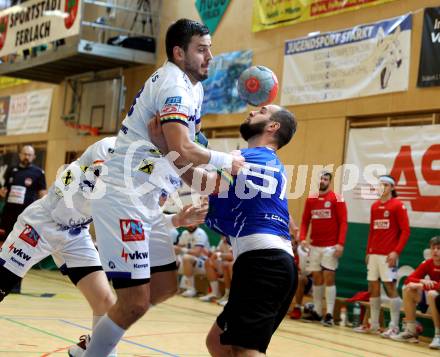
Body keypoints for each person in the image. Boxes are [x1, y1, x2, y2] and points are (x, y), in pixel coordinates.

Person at [85, 18, 244, 357]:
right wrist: (224, 161)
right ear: (178, 52)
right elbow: (184, 149)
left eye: (210, 48)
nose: (210, 56)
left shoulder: (193, 88)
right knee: (136, 302)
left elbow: (179, 158)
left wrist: (190, 167)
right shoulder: (174, 84)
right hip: (124, 196)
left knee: (164, 287)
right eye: (201, 49)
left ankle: (105, 332)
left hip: (150, 200)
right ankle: (95, 349)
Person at [201, 105, 298, 356]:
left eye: (262, 110)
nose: (253, 111)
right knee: (218, 341)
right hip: (265, 263)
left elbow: (204, 182)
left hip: (264, 264)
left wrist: (172, 149)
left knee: (246, 350)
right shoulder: (264, 160)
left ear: (273, 126)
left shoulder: (250, 157)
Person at [354, 175, 410, 337]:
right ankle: (374, 324)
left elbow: (405, 231)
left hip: (388, 255)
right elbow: (372, 230)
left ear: (392, 187)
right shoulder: (374, 206)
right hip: (374, 254)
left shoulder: (398, 205)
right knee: (373, 288)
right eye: (380, 185)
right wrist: (368, 251)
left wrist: (395, 252)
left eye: (385, 185)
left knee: (390, 287)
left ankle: (394, 326)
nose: (382, 188)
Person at [299, 171, 348, 326]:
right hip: (314, 245)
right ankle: (318, 312)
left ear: (329, 181)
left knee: (329, 277)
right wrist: (302, 238)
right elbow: (305, 221)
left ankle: (329, 315)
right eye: (320, 178)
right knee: (317, 278)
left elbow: (343, 222)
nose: (322, 181)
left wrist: (340, 243)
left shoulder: (337, 198)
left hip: (331, 246)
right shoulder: (311, 199)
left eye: (325, 179)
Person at [391, 236, 440, 349]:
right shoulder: (428, 263)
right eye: (433, 248)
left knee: (432, 294)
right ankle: (410, 331)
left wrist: (421, 285)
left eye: (438, 248)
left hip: (437, 300)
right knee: (407, 289)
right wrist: (421, 281)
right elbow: (409, 279)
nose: (435, 251)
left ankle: (438, 336)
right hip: (432, 302)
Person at [0, 145, 47, 243]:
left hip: (27, 213)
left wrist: (43, 210)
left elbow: (42, 193)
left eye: (29, 155)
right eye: (25, 154)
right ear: (20, 155)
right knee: (7, 240)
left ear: (34, 156)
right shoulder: (11, 170)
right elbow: (5, 188)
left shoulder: (38, 172)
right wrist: (2, 192)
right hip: (10, 213)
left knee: (22, 242)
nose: (27, 157)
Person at [175, 224, 210, 297]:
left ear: (197, 223)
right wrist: (175, 249)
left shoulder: (200, 233)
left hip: (203, 262)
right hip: (189, 261)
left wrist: (181, 249)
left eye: (192, 223)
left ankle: (191, 289)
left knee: (186, 258)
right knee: (173, 259)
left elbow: (196, 253)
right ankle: (175, 287)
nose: (190, 225)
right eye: (188, 223)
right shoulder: (185, 233)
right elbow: (177, 249)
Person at [200, 235, 234, 303]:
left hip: (233, 266)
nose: (222, 236)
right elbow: (216, 253)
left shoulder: (234, 240)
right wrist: (210, 253)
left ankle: (230, 296)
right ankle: (215, 293)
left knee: (227, 265)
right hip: (224, 266)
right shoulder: (222, 241)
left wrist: (218, 255)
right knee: (208, 262)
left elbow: (232, 256)